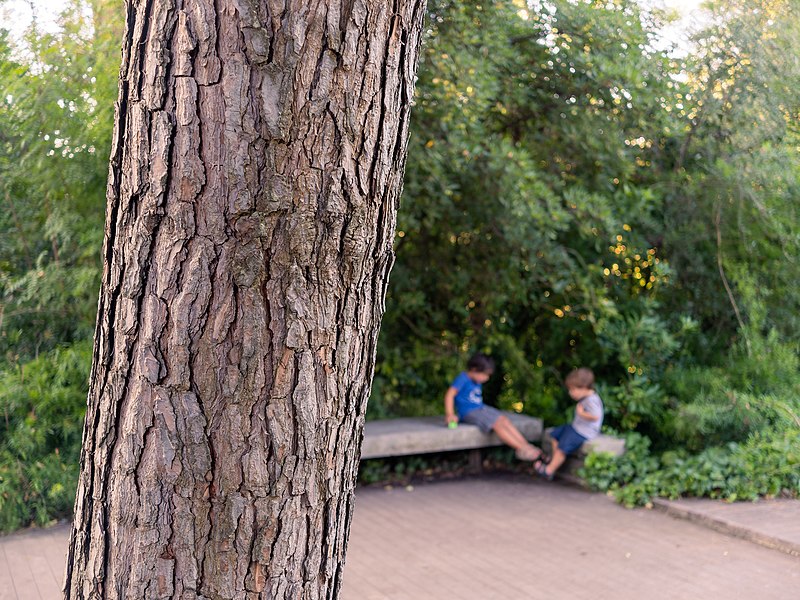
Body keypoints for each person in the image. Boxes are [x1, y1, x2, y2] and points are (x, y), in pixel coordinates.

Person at [444, 353, 542, 461]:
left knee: (503, 419)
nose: (486, 378)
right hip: (468, 412)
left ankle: (525, 445)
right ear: (474, 369)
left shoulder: (476, 380)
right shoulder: (463, 378)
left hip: (480, 408)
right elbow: (450, 394)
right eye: (485, 375)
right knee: (496, 423)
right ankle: (520, 449)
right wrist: (450, 414)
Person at [536, 367, 604, 480]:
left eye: (572, 390)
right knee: (555, 435)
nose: (570, 393)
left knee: (563, 447)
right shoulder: (586, 397)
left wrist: (582, 414)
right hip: (576, 427)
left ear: (583, 387)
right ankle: (554, 460)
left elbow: (596, 416)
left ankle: (549, 470)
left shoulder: (592, 399)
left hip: (584, 432)